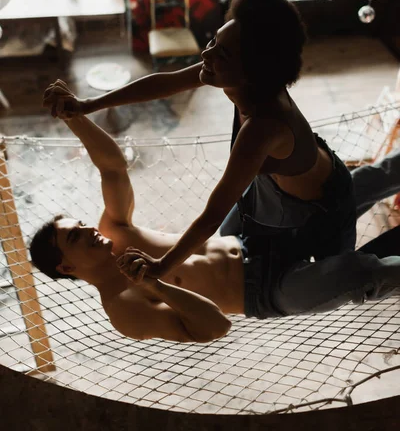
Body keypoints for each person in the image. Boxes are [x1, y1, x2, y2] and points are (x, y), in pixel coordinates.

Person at [42, 0, 397, 312]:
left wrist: (160, 268)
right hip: (272, 198)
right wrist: (89, 104)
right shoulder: (236, 80)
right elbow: (164, 83)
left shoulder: (263, 126)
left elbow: (213, 212)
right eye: (213, 40)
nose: (206, 53)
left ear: (250, 71)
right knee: (373, 179)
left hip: (320, 211)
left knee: (358, 260)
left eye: (220, 52)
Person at [31, 81, 400, 341]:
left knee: (345, 187)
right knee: (357, 274)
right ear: (66, 267)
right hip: (267, 291)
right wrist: (154, 284)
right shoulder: (122, 308)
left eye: (80, 225)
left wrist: (75, 116)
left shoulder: (116, 230)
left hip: (246, 233)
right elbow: (213, 328)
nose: (90, 230)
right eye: (76, 236)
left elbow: (112, 167)